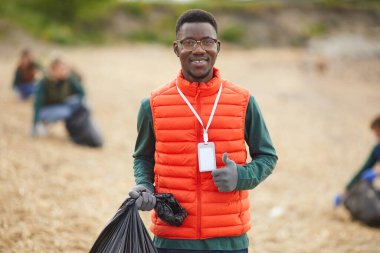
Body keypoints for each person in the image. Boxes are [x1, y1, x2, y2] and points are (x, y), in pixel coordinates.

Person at [129, 9, 278, 252]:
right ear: (177, 48)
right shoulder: (153, 104)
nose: (199, 49)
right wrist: (144, 185)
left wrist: (241, 176)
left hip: (229, 238)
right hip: (172, 236)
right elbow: (143, 157)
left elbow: (268, 156)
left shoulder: (243, 100)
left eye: (207, 41)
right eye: (189, 42)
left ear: (218, 47)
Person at [31, 58, 85, 137]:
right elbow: (37, 103)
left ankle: (75, 130)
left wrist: (73, 81)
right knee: (66, 111)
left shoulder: (68, 79)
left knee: (82, 105)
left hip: (61, 105)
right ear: (53, 70)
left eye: (65, 69)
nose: (64, 71)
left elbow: (82, 93)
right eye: (61, 69)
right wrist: (35, 122)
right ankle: (42, 124)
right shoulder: (44, 82)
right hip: (46, 110)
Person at [334, 115, 380, 206]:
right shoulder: (377, 149)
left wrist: (376, 171)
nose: (376, 135)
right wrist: (344, 190)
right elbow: (364, 169)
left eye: (377, 131)